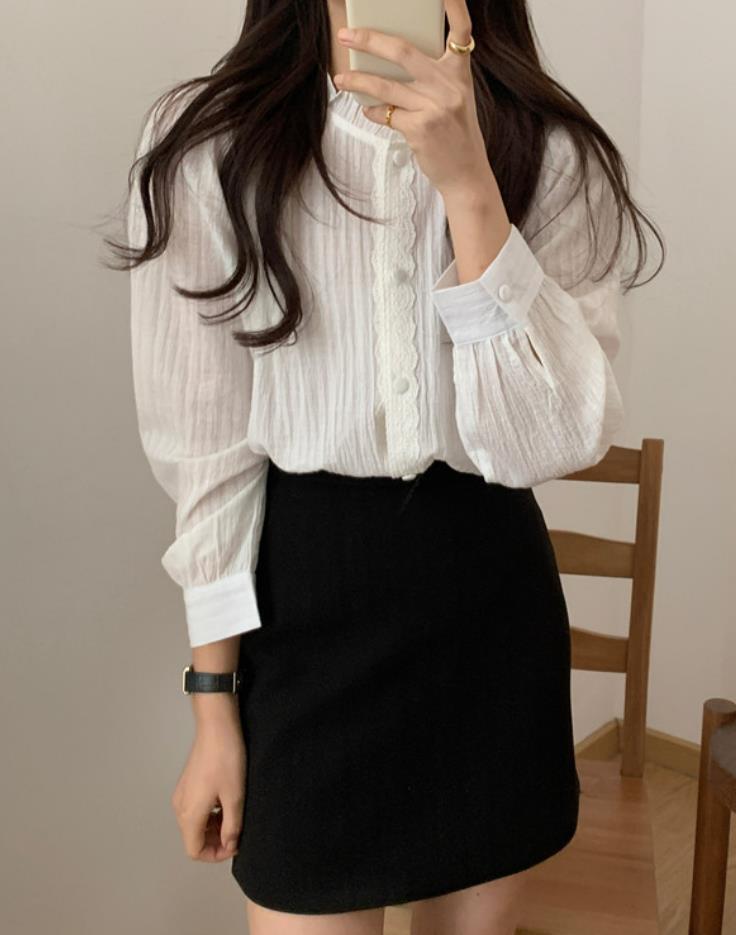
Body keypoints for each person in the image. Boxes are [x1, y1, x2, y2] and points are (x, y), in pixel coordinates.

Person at [108, 0, 663, 932]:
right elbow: (206, 454)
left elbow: (549, 443)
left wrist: (469, 184)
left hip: (488, 608)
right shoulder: (211, 141)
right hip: (301, 609)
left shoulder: (549, 149)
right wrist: (213, 706)